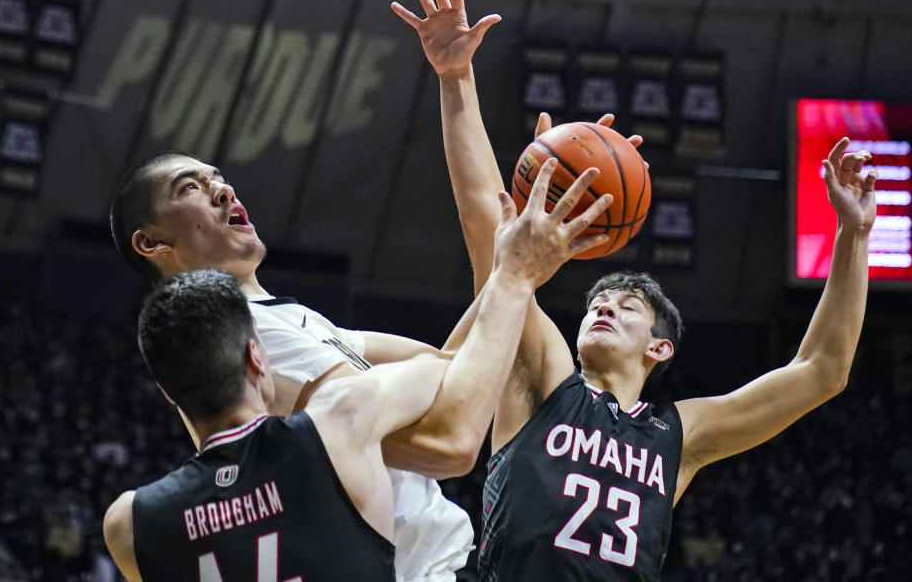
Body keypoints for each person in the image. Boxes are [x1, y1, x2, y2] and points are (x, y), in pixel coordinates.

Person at [393, 0, 878, 580]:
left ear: (660, 346)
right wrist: (457, 79)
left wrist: (854, 235)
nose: (604, 307)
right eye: (598, 302)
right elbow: (489, 232)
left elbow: (821, 372)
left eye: (625, 306)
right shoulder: (546, 380)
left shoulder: (682, 435)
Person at [102, 162, 614, 581]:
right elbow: (447, 434)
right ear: (255, 359)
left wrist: (455, 80)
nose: (222, 188)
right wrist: (514, 274)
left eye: (216, 176)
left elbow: (451, 368)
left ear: (166, 389)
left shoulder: (134, 521)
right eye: (192, 187)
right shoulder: (270, 344)